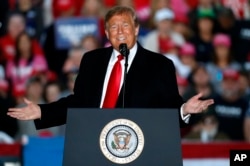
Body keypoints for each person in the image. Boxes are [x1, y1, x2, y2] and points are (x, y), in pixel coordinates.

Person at [7, 6, 214, 130]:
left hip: (142, 147)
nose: (120, 31)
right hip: (95, 143)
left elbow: (169, 107)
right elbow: (78, 103)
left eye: (126, 25)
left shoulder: (160, 65)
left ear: (137, 29)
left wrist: (184, 110)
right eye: (114, 27)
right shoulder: (91, 60)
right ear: (106, 33)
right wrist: (42, 111)